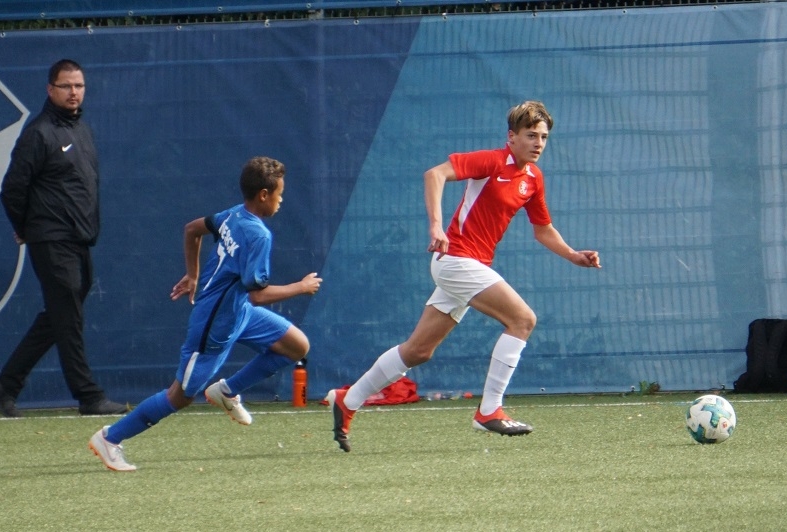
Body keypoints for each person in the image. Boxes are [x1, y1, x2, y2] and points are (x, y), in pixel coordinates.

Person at [326, 101, 601, 452]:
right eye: (531, 135)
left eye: (543, 137)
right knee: (522, 320)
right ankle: (489, 410)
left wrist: (574, 255)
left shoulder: (533, 179)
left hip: (471, 266)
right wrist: (436, 226)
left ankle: (348, 400)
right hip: (455, 260)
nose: (538, 143)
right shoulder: (492, 161)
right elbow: (434, 174)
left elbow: (543, 229)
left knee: (419, 351)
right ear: (511, 137)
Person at [89, 156, 322, 471]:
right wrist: (301, 287)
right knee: (181, 395)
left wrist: (193, 274)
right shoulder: (258, 235)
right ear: (264, 194)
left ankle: (227, 391)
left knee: (296, 346)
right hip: (215, 324)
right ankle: (110, 437)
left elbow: (192, 230)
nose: (282, 200)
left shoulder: (233, 214)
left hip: (238, 312)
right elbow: (258, 294)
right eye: (279, 193)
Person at [0, 59, 126, 417]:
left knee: (61, 315)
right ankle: (89, 396)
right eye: (66, 86)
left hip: (79, 240)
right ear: (51, 90)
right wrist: (26, 228)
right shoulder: (39, 133)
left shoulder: (82, 131)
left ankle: (7, 383)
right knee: (69, 318)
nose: (73, 92)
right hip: (51, 239)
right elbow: (13, 188)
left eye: (79, 86)